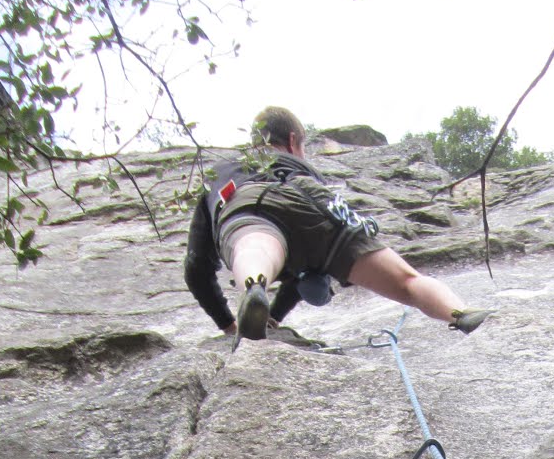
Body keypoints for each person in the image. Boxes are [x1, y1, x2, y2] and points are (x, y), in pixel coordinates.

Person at [184, 105, 489, 344]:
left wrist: (228, 323)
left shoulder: (220, 171)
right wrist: (274, 315)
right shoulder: (302, 166)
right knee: (407, 281)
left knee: (256, 243)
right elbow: (310, 263)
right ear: (292, 141)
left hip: (246, 198)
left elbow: (197, 267)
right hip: (314, 198)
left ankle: (254, 283)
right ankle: (459, 312)